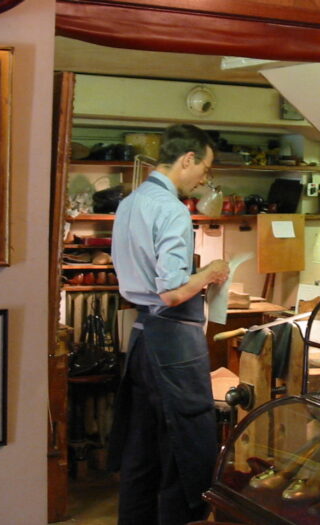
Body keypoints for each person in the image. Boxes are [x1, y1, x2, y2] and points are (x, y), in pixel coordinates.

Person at [107, 123, 230, 525]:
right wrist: (211, 271)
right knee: (185, 444)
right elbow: (173, 292)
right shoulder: (172, 209)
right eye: (205, 169)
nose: (203, 179)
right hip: (173, 341)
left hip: (143, 338)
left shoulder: (131, 201)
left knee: (142, 448)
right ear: (187, 159)